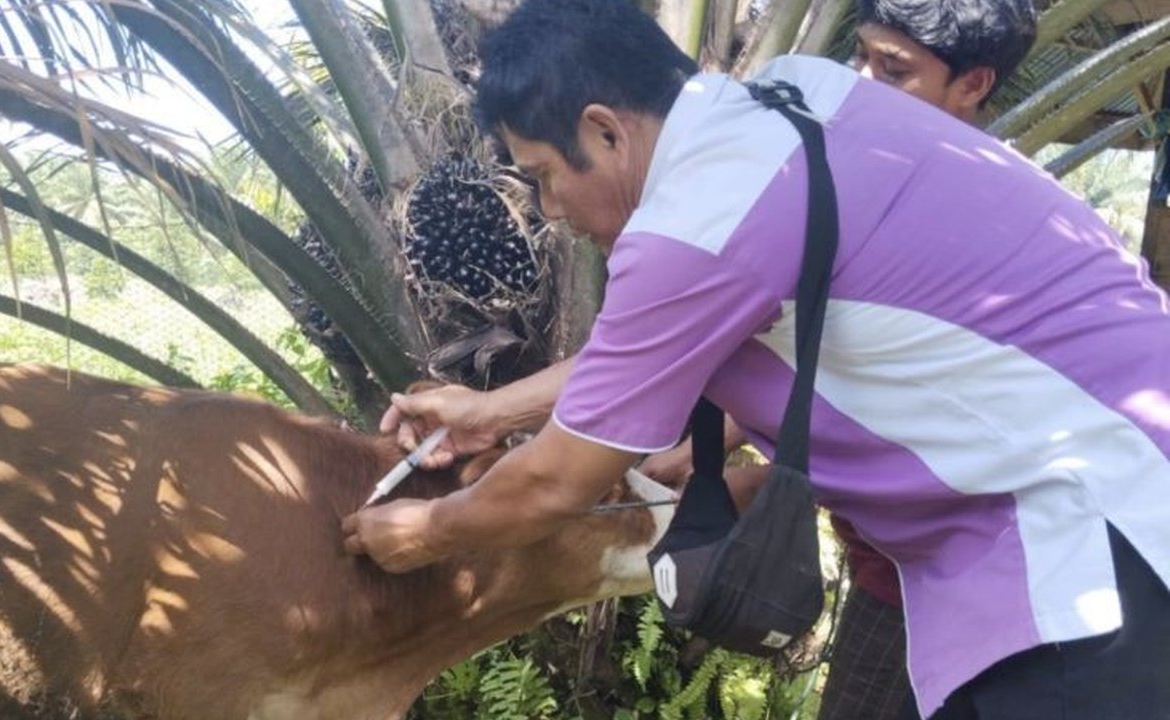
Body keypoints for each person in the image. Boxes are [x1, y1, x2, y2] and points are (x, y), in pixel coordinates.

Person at [341, 1, 1170, 718]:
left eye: (546, 175)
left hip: (1092, 548)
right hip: (1092, 504)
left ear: (604, 128)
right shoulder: (799, 99)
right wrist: (487, 410)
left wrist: (427, 532)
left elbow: (557, 483)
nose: (552, 210)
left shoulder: (700, 218)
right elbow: (664, 337)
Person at [638, 2, 1039, 718]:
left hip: (945, 578)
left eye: (893, 71)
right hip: (913, 562)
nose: (859, 84)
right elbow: (842, 360)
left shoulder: (971, 215)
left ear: (973, 85)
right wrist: (725, 443)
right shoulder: (886, 184)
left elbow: (926, 425)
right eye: (860, 57)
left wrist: (760, 476)